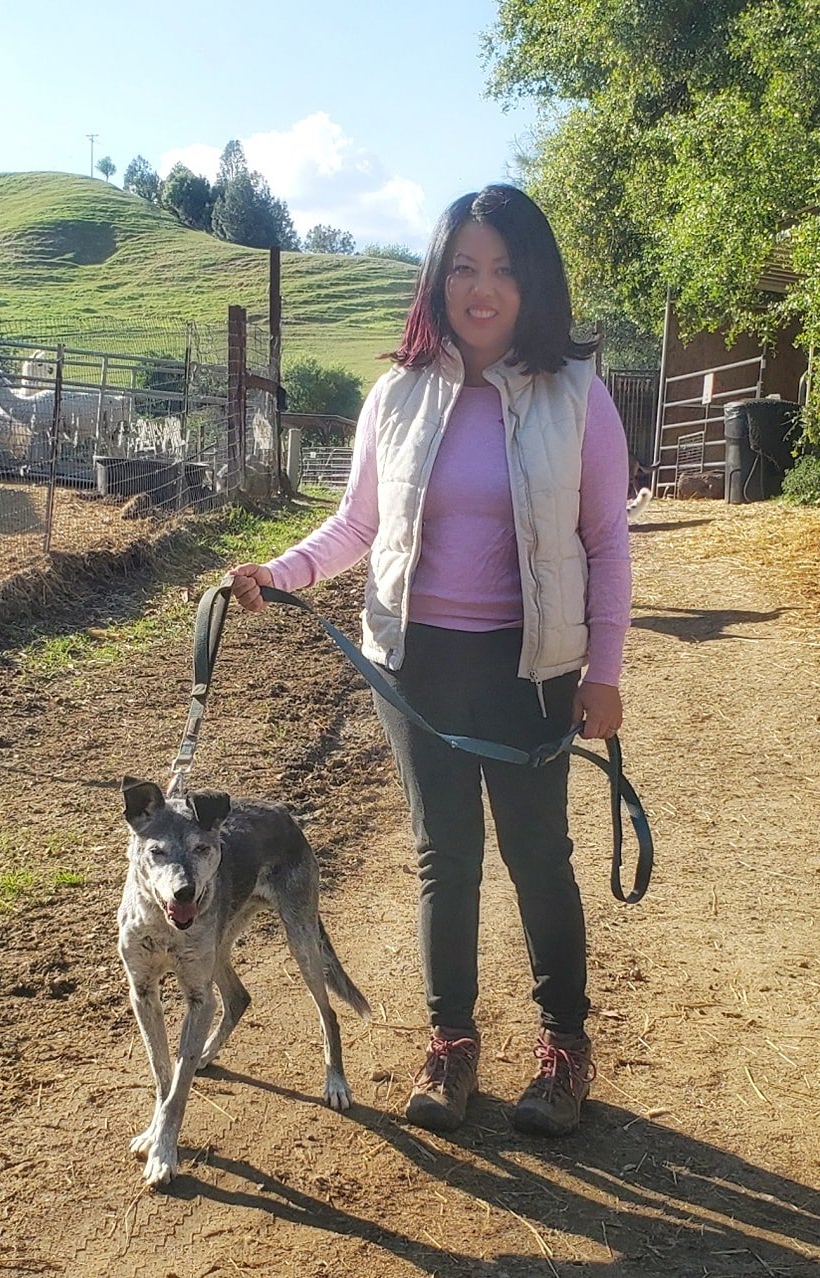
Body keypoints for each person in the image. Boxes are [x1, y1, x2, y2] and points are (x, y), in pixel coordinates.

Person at [226, 184, 631, 1137]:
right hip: (413, 666)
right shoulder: (396, 393)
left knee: (539, 860)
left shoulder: (579, 393)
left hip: (533, 668)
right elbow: (358, 524)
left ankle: (563, 1047)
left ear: (534, 281)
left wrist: (605, 670)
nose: (481, 290)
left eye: (502, 269)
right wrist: (279, 574)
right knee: (442, 859)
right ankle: (450, 1045)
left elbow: (607, 540)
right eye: (463, 268)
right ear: (437, 278)